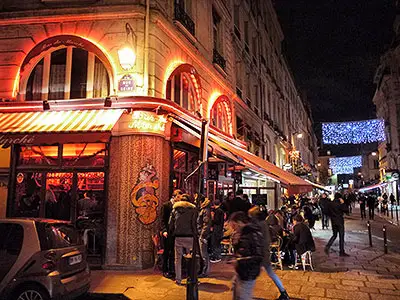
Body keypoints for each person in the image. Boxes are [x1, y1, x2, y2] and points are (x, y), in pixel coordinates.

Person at [248, 207, 290, 300]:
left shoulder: (258, 225)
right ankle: (283, 292)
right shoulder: (264, 223)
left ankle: (245, 294)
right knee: (270, 273)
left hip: (260, 254)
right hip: (264, 252)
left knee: (251, 275)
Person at [229, 211, 264, 300]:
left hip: (249, 273)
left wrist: (239, 261)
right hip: (241, 271)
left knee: (243, 297)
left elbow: (258, 257)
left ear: (240, 223)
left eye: (234, 225)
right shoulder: (242, 234)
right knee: (237, 294)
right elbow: (241, 251)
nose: (233, 229)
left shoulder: (252, 234)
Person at [169, 193, 197, 285]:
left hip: (178, 237)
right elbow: (194, 224)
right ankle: (191, 278)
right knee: (191, 259)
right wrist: (195, 234)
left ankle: (178, 280)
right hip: (189, 237)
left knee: (178, 259)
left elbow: (171, 224)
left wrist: (172, 233)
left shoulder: (175, 210)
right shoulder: (193, 210)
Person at [160, 189, 182, 278]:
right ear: (174, 197)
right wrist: (164, 230)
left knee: (173, 252)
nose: (179, 199)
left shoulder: (178, 206)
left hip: (175, 232)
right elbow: (162, 219)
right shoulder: (166, 205)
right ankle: (165, 269)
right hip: (167, 232)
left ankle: (172, 269)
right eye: (178, 197)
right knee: (167, 251)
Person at [324, 193, 349, 257]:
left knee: (334, 235)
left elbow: (326, 211)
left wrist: (332, 216)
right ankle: (341, 251)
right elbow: (346, 210)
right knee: (341, 236)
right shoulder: (340, 204)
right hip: (340, 221)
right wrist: (343, 203)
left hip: (333, 221)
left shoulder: (330, 204)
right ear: (340, 198)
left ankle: (328, 246)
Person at [197, 194, 211, 277]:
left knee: (203, 253)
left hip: (203, 235)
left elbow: (206, 223)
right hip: (201, 233)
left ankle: (205, 271)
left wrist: (202, 234)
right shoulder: (203, 209)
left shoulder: (205, 210)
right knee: (202, 253)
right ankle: (202, 270)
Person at [210, 199, 224, 263]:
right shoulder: (221, 211)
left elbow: (217, 220)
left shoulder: (217, 211)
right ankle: (217, 256)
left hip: (216, 229)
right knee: (217, 243)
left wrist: (212, 218)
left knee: (215, 243)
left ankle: (216, 257)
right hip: (219, 229)